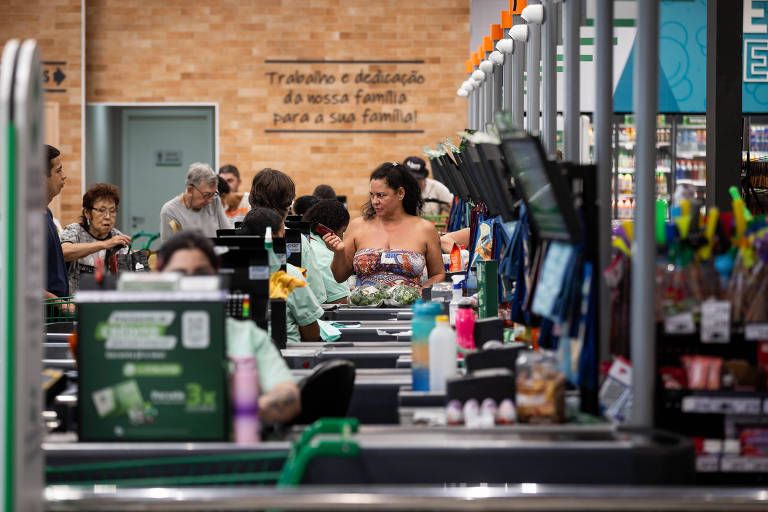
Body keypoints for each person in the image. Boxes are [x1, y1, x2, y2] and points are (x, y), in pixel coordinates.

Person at [155, 231, 300, 423]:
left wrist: (229, 409)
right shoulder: (141, 334)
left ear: (217, 277)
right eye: (179, 275)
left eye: (201, 274)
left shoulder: (247, 336)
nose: (191, 283)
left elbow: (288, 397)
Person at [323, 162, 445, 288]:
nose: (375, 201)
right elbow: (339, 276)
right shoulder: (357, 226)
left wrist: (421, 293)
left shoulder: (425, 229)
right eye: (372, 195)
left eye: (381, 195)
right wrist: (338, 253)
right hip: (364, 306)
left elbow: (438, 274)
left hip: (410, 306)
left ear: (400, 193)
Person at [241, 208, 323, 342]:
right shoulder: (289, 274)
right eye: (283, 236)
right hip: (286, 353)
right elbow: (311, 331)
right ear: (273, 238)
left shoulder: (229, 272)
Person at [249, 168, 327, 304]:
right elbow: (316, 297)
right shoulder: (299, 241)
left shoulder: (228, 240)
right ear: (287, 205)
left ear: (252, 200)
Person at [60, 183, 132, 292]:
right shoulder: (74, 230)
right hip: (73, 304)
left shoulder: (118, 238)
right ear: (87, 213)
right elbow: (63, 252)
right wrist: (104, 244)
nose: (108, 217)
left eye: (112, 211)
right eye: (102, 210)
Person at [159, 162, 233, 243]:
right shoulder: (170, 211)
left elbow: (227, 235)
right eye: (206, 195)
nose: (210, 200)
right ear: (190, 190)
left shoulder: (215, 201)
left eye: (214, 194)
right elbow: (168, 249)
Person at [302, 200, 351, 304]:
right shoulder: (325, 255)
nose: (342, 238)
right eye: (342, 232)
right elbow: (339, 300)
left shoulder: (304, 240)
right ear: (327, 231)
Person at [44, 145, 69, 300]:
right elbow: (20, 280)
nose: (64, 176)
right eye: (59, 170)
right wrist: (59, 304)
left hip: (55, 315)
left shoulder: (47, 213)